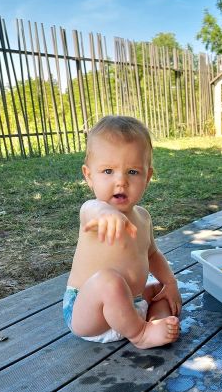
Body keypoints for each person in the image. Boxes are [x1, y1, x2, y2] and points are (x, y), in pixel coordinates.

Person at [63, 115, 181, 349]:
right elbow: (94, 211)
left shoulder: (143, 217)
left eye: (133, 172)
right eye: (108, 171)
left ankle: (156, 321)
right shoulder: (92, 211)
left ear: (147, 177)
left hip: (131, 306)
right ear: (89, 176)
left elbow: (152, 255)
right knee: (108, 281)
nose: (121, 181)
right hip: (89, 314)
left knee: (161, 291)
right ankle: (141, 335)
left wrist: (170, 282)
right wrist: (106, 214)